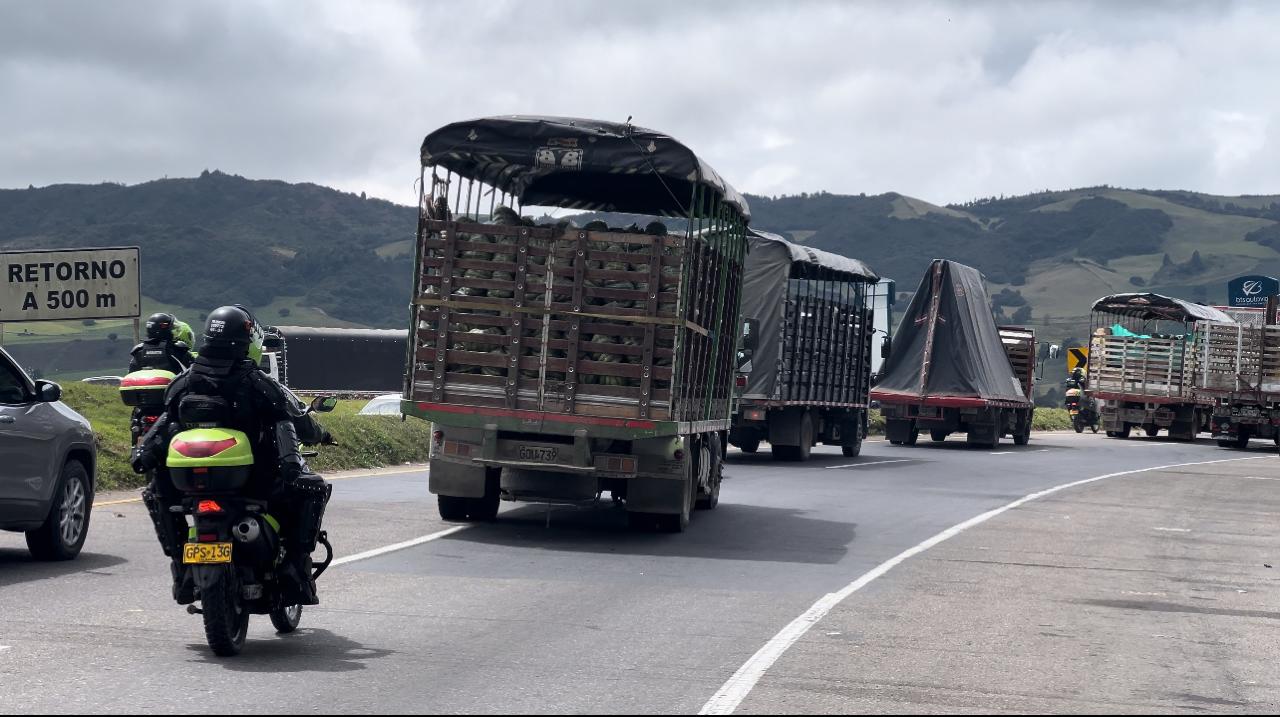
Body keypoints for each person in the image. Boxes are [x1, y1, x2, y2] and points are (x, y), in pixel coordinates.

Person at [131, 305, 332, 606]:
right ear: (248, 340)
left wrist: (143, 455)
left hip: (191, 485)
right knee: (313, 488)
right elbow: (296, 419)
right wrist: (320, 436)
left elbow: (163, 426)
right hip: (255, 483)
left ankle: (180, 565)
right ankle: (294, 568)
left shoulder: (183, 383)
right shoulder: (259, 383)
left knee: (155, 494)